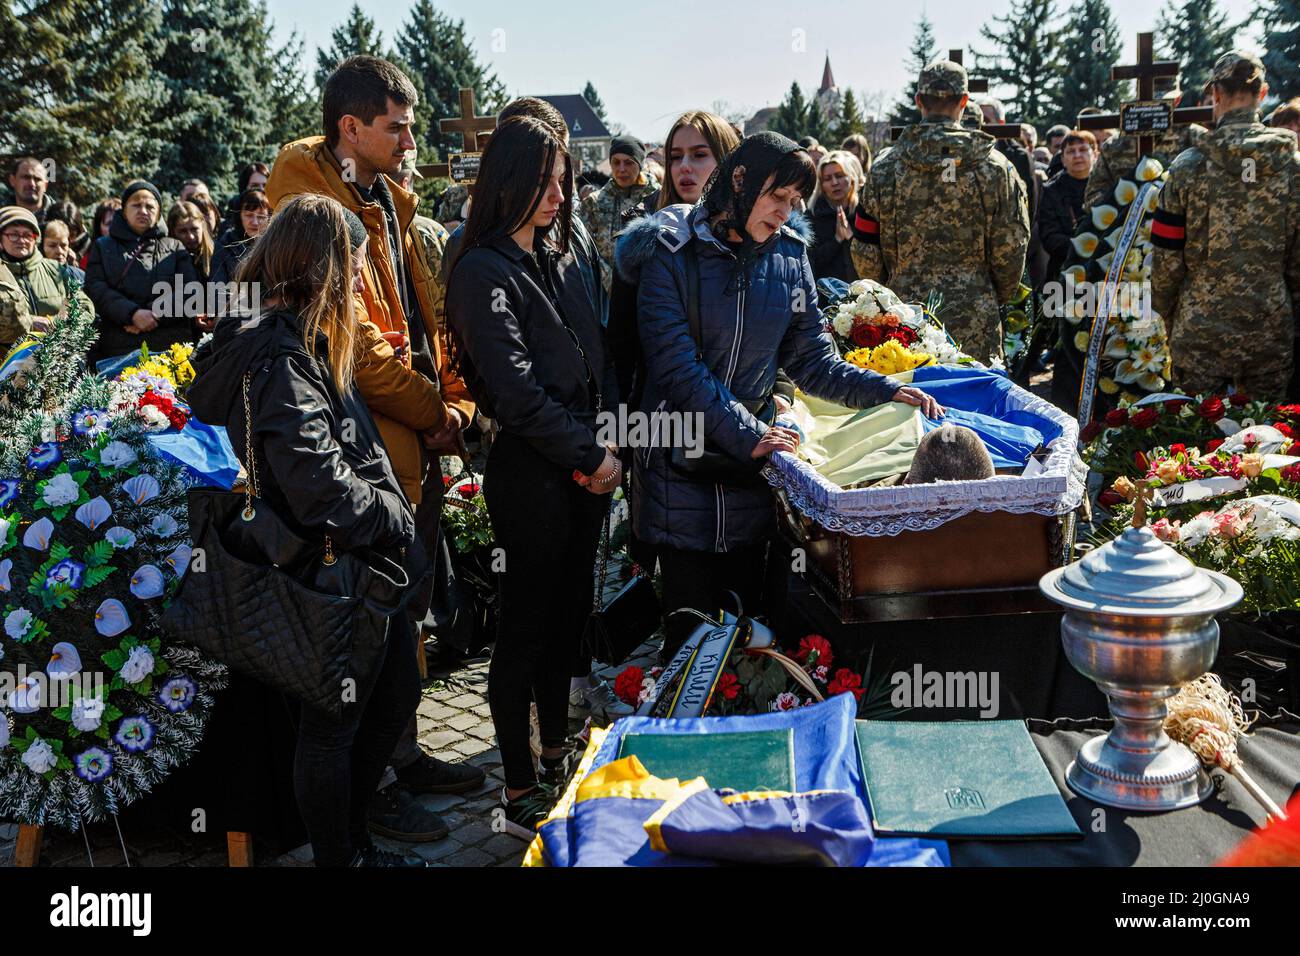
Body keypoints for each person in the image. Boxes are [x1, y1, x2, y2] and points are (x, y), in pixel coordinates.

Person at [266, 54, 483, 841]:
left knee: (407, 619)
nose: (412, 140)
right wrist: (434, 409)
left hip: (408, 442)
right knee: (362, 639)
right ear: (350, 127)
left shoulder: (384, 195)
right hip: (367, 451)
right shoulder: (310, 195)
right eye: (397, 127)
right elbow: (348, 336)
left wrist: (449, 399)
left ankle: (405, 751)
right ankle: (370, 796)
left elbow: (417, 316)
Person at [622, 131, 943, 655]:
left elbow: (812, 360)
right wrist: (748, 433)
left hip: (751, 479)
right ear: (741, 181)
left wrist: (884, 390)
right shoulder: (671, 253)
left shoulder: (789, 257)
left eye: (795, 201)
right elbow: (676, 366)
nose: (784, 212)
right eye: (777, 197)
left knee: (752, 637)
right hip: (681, 473)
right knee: (690, 639)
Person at [188, 195, 426, 868]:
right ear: (323, 266)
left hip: (337, 560)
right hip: (323, 568)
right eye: (351, 265)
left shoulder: (283, 334)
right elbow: (318, 485)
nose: (358, 280)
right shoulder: (277, 351)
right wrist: (393, 517)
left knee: (389, 696)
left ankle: (352, 843)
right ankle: (341, 856)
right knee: (334, 728)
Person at [445, 116, 619, 837]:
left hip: (586, 465)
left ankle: (556, 751)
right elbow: (514, 393)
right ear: (509, 181)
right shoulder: (481, 267)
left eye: (563, 180)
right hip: (533, 475)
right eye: (544, 181)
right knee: (524, 628)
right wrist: (587, 455)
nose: (558, 194)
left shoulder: (561, 250)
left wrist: (606, 444)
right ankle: (517, 786)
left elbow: (598, 354)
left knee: (568, 622)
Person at [852, 60, 1029, 364]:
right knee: (978, 405)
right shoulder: (997, 169)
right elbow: (1011, 250)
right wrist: (986, 294)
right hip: (975, 314)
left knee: (912, 405)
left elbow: (865, 250)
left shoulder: (884, 169)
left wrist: (889, 295)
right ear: (964, 102)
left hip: (906, 318)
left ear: (919, 101)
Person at [1151, 51, 1300, 400]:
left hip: (1199, 331)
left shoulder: (1187, 167)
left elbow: (1166, 259)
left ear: (1215, 94)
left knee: (1195, 444)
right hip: (1270, 329)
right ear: (1262, 94)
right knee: (1269, 446)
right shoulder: (1293, 167)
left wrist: (1167, 313)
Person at [607, 111, 741, 413]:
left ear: (728, 161)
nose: (684, 167)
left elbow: (774, 329)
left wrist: (782, 393)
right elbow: (621, 339)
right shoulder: (642, 236)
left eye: (699, 155)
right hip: (664, 416)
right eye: (676, 157)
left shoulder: (756, 232)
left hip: (744, 406)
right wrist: (617, 424)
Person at [83, 180, 198, 363]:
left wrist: (154, 314)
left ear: (159, 212)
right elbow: (95, 287)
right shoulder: (103, 246)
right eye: (136, 205)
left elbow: (190, 290)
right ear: (124, 210)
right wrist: (132, 314)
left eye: (150, 206)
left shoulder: (175, 247)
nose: (143, 211)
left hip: (168, 347)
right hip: (117, 347)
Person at [1084, 78, 1205, 210]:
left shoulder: (1197, 139)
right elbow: (1093, 200)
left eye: (1161, 103)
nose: (1153, 108)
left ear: (1177, 101)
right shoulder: (1114, 146)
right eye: (1149, 102)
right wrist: (1128, 210)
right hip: (1128, 227)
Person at [578, 134, 660, 290]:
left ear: (640, 164)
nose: (621, 169)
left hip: (651, 288)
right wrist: (609, 278)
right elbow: (582, 249)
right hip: (607, 292)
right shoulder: (594, 202)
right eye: (616, 162)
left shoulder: (658, 198)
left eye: (628, 163)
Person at [1, 205, 93, 338]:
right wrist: (29, 323)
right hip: (10, 357)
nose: (22, 240)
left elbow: (85, 307)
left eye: (27, 235)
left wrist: (60, 322)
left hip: (58, 355)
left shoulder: (56, 270)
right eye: (14, 235)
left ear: (36, 239)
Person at [1038, 129, 1097, 285]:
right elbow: (1050, 238)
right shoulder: (1051, 191)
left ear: (1095, 154)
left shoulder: (1108, 185)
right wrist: (1084, 246)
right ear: (1063, 159)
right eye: (1071, 151)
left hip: (1105, 272)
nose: (1077, 155)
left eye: (1083, 149)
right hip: (1064, 273)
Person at [808, 149, 864, 282]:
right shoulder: (813, 216)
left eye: (839, 176)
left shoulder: (864, 210)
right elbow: (811, 262)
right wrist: (836, 240)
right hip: (827, 295)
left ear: (851, 178)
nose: (834, 183)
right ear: (821, 185)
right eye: (827, 179)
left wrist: (850, 238)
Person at [211, 188, 270, 284]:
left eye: (261, 216)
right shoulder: (223, 246)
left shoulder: (276, 245)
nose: (255, 222)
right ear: (240, 216)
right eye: (249, 215)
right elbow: (217, 290)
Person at [167, 200, 216, 283]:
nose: (190, 236)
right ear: (173, 231)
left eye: (194, 229)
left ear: (202, 226)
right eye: (183, 231)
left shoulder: (217, 255)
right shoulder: (166, 260)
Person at [5, 157, 53, 226]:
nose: (32, 184)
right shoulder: (2, 213)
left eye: (37, 179)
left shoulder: (60, 216)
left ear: (45, 185)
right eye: (26, 177)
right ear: (12, 180)